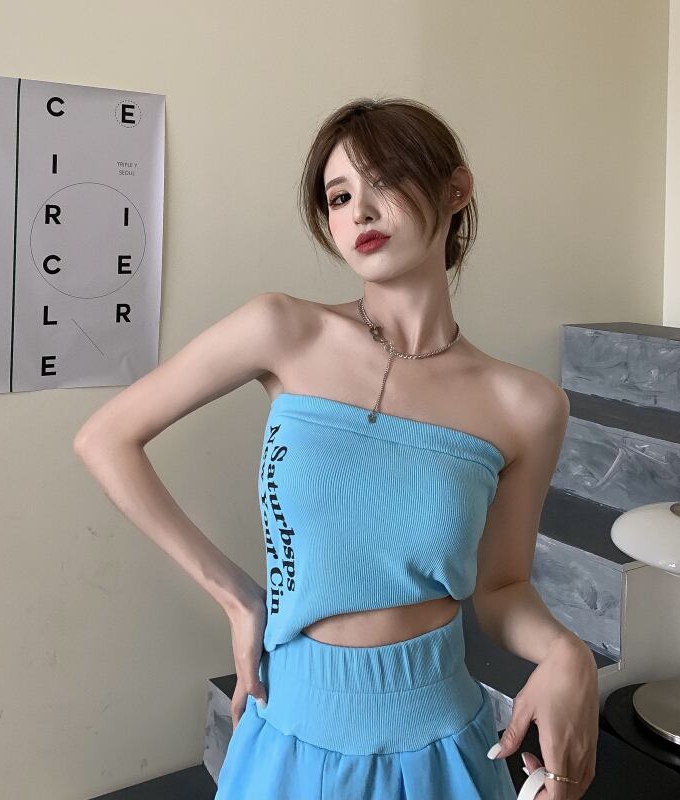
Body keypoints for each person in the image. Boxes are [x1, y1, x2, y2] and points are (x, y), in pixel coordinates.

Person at [74, 97, 599, 799]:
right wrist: (237, 598)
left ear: (456, 190)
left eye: (385, 180)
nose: (361, 212)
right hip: (289, 737)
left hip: (440, 744)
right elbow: (106, 438)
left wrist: (568, 653)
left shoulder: (526, 405)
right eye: (340, 196)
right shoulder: (284, 330)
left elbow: (502, 589)